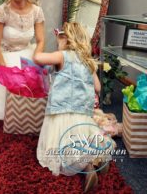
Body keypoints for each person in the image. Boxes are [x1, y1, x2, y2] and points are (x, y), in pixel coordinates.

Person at [34, 22, 114, 193]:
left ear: (67, 39)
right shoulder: (87, 61)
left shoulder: (62, 55)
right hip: (81, 113)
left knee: (61, 149)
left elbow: (37, 59)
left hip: (60, 111)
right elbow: (98, 88)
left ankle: (87, 169)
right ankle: (94, 162)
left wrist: (41, 43)